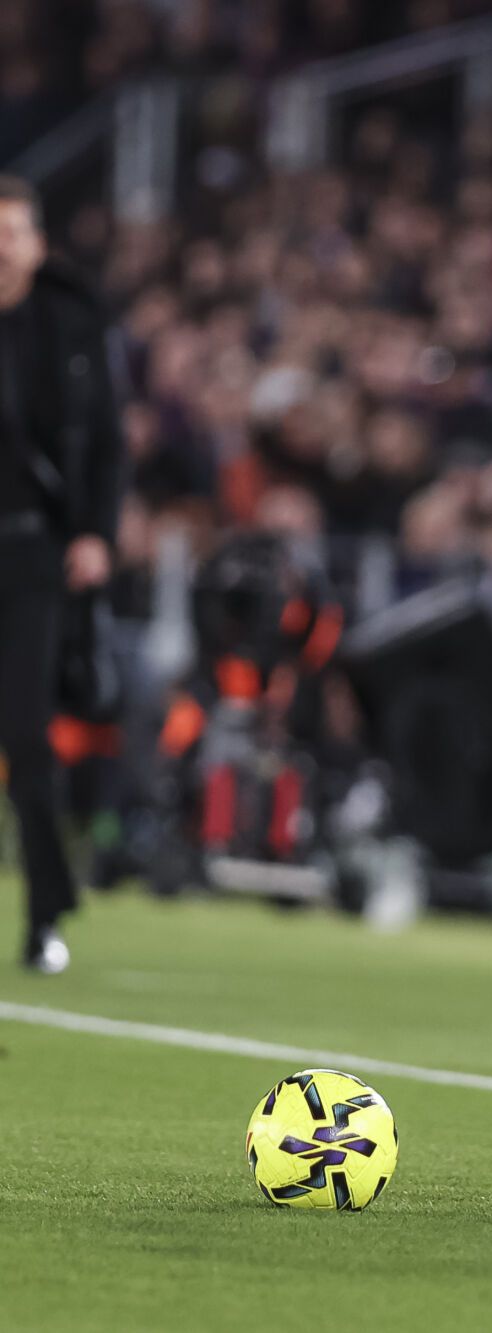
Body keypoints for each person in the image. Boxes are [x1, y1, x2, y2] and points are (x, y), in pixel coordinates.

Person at [0, 176, 124, 973]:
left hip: (33, 552)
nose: (1, 247)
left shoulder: (69, 326)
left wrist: (95, 533)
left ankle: (45, 912)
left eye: (11, 233)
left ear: (38, 245)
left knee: (25, 736)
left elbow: (107, 440)